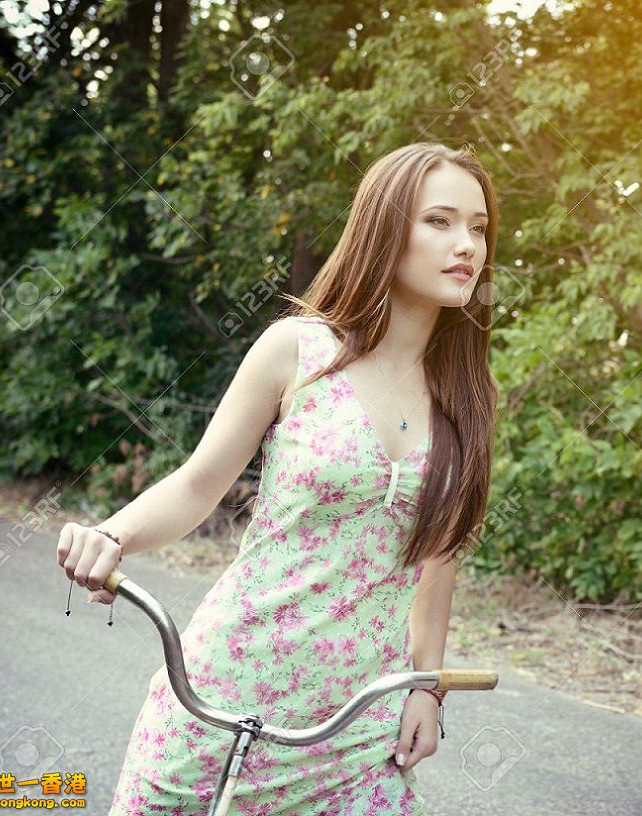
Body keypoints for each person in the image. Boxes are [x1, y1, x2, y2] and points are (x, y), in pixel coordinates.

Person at [56, 141, 500, 815]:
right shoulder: (297, 350)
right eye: (439, 220)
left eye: (478, 226)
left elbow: (437, 558)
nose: (465, 243)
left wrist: (425, 687)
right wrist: (111, 534)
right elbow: (199, 484)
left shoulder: (468, 394)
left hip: (356, 730)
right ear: (385, 226)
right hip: (220, 699)